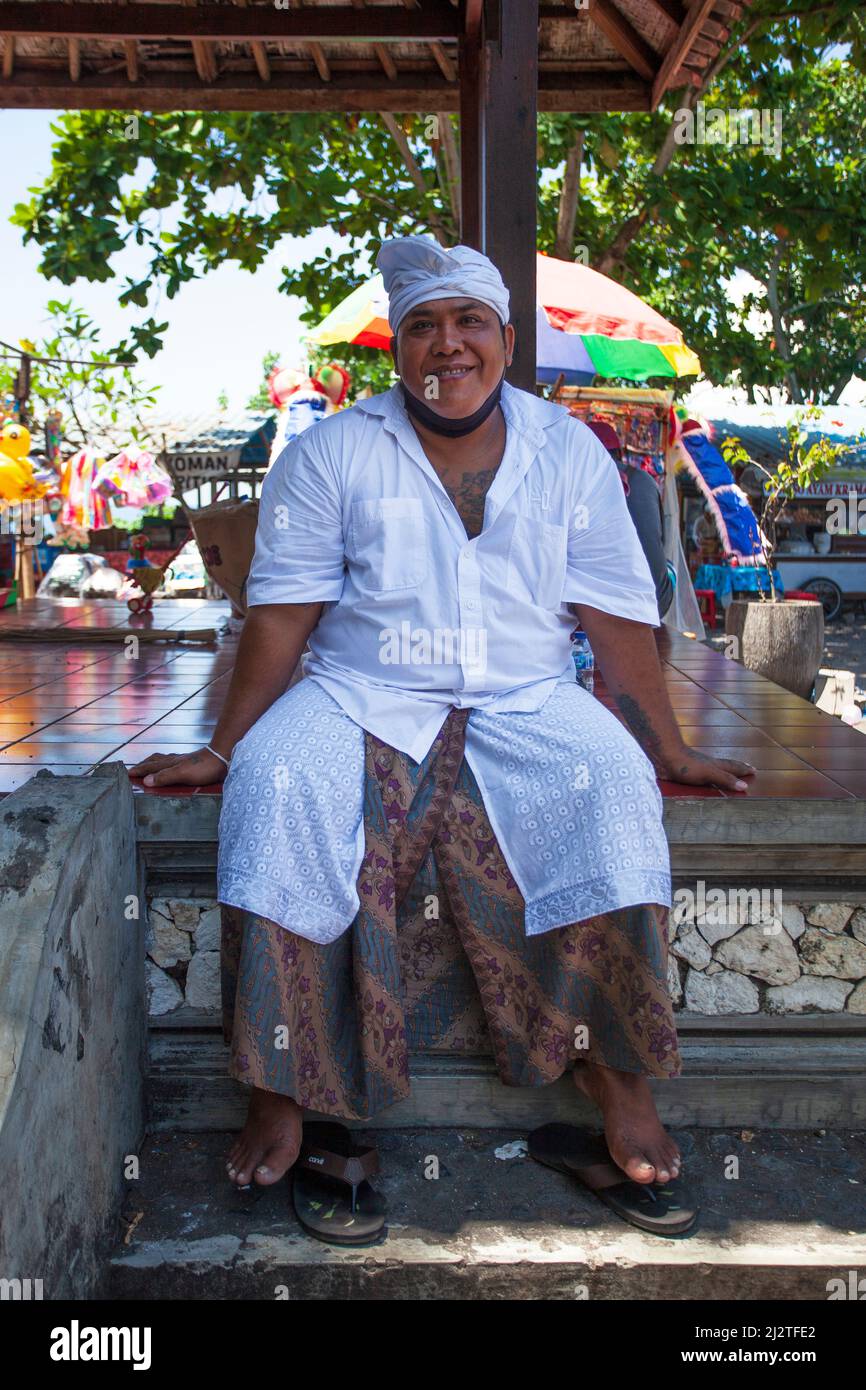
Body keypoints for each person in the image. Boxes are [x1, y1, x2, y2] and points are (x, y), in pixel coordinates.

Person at [130, 234, 754, 1237]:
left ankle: (621, 1087)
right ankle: (282, 1091)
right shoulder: (331, 450)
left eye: (469, 323)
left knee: (610, 789)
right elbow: (282, 617)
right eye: (423, 325)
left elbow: (613, 622)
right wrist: (223, 746)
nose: (446, 345)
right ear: (397, 349)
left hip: (526, 696)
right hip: (358, 690)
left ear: (506, 339)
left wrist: (664, 748)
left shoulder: (568, 454)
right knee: (278, 786)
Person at [585, 419, 675, 619]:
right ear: (620, 453)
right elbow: (658, 541)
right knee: (668, 568)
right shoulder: (645, 480)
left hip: (599, 605)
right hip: (655, 602)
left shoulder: (579, 478)